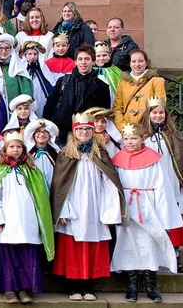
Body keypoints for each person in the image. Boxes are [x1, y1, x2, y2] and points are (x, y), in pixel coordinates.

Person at [50, 112, 127, 301]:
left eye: (87, 129)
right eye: (80, 129)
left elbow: (109, 182)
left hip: (94, 207)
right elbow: (59, 186)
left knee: (93, 245)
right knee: (73, 247)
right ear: (73, 132)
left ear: (93, 132)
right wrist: (64, 210)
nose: (84, 132)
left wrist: (109, 209)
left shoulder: (100, 153)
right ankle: (73, 285)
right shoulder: (65, 155)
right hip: (73, 208)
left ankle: (89, 285)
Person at [110, 123, 180, 303]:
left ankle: (151, 286)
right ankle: (132, 286)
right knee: (128, 246)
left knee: (150, 245)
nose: (129, 142)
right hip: (127, 207)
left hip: (148, 206)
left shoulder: (153, 160)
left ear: (142, 139)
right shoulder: (118, 159)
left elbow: (162, 188)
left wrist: (164, 216)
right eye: (126, 138)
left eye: (134, 138)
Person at [0, 130, 54, 304]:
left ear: (24, 149)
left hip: (28, 221)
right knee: (8, 257)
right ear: (5, 149)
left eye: (18, 146)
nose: (15, 150)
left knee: (26, 256)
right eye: (12, 146)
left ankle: (25, 289)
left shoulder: (32, 170)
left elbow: (41, 195)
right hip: (7, 223)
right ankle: (9, 289)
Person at [141, 97, 183, 273]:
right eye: (154, 113)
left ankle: (174, 257)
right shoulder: (142, 137)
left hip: (171, 183)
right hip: (149, 187)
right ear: (148, 115)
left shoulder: (174, 135)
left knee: (171, 220)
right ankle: (153, 259)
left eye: (161, 112)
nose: (158, 116)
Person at [43, 44, 111, 146]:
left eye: (87, 59)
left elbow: (104, 113)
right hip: (63, 133)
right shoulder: (63, 81)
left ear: (93, 62)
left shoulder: (102, 86)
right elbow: (50, 105)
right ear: (75, 61)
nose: (83, 62)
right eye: (80, 59)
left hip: (88, 133)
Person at [113, 50, 165, 130]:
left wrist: (149, 128)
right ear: (130, 64)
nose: (137, 64)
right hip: (128, 129)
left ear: (146, 63)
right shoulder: (122, 83)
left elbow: (159, 107)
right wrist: (124, 128)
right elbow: (118, 108)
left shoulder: (157, 81)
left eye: (141, 61)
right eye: (133, 61)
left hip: (149, 129)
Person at [0, 33, 33, 104]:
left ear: (11, 50)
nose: (4, 51)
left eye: (7, 48)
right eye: (0, 48)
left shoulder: (18, 68)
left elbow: (26, 92)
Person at [24, 118, 60, 192]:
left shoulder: (55, 153)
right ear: (33, 135)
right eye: (38, 132)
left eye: (45, 132)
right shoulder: (28, 153)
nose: (42, 134)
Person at [21, 41, 52, 117]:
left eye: (35, 54)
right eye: (30, 54)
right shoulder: (22, 70)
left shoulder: (42, 70)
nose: (32, 57)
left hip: (41, 98)